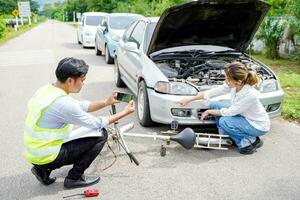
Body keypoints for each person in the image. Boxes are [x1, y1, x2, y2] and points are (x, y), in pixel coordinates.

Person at [23, 57, 135, 188]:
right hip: (46, 155)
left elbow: (81, 106)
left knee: (90, 132)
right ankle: (74, 177)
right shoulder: (63, 104)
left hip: (35, 152)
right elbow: (97, 123)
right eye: (82, 80)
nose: (83, 83)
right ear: (70, 80)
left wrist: (106, 102)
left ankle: (41, 169)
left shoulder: (47, 90)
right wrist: (125, 112)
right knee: (101, 134)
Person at [178, 62, 270, 155]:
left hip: (257, 125)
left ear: (239, 81)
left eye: (227, 79)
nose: (225, 80)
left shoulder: (250, 95)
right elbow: (210, 93)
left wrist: (209, 111)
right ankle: (225, 136)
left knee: (224, 121)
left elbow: (229, 112)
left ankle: (248, 143)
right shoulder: (235, 85)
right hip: (245, 118)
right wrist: (189, 99)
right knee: (215, 105)